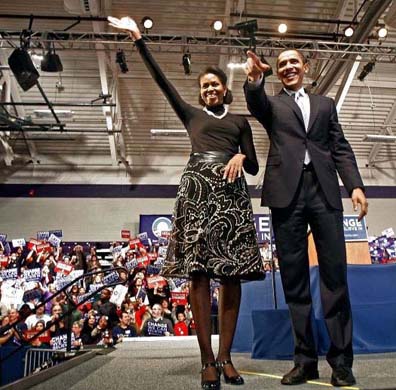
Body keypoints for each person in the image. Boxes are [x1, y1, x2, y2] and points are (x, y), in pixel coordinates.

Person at [108, 16, 264, 390]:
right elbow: (162, 82)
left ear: (225, 89)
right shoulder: (190, 115)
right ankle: (206, 361)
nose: (210, 89)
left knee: (231, 276)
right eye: (205, 86)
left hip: (230, 198)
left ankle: (226, 357)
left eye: (215, 85)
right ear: (201, 93)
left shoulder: (241, 122)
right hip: (196, 195)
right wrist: (138, 39)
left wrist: (242, 157)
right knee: (199, 273)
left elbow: (255, 164)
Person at [244, 49, 368, 387]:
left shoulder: (326, 104)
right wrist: (255, 79)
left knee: (334, 280)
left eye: (292, 62)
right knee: (295, 283)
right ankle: (305, 361)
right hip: (287, 196)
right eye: (281, 64)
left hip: (325, 192)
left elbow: (340, 147)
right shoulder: (272, 105)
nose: (287, 68)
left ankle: (341, 363)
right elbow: (255, 103)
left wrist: (354, 185)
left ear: (306, 66)